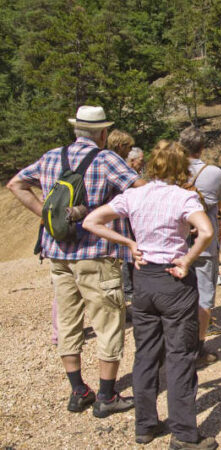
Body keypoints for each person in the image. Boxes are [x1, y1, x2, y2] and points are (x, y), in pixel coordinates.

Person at [6, 105, 142, 417]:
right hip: (97, 254)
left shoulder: (52, 156)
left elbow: (16, 184)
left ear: (76, 130)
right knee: (108, 323)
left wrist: (46, 213)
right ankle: (106, 397)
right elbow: (140, 190)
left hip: (57, 252)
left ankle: (78, 390)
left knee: (69, 323)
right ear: (103, 133)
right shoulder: (107, 158)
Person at [83, 140, 218, 449]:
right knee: (181, 356)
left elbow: (91, 221)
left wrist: (128, 244)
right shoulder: (184, 197)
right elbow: (207, 231)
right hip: (174, 280)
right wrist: (187, 259)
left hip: (143, 278)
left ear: (153, 165)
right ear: (179, 167)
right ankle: (184, 435)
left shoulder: (133, 195)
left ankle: (145, 426)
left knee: (145, 353)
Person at [179, 126, 221, 369]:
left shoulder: (171, 171)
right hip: (205, 244)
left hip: (176, 243)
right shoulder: (214, 172)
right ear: (202, 147)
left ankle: (176, 345)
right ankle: (197, 349)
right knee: (204, 296)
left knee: (177, 294)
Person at [107, 130, 137, 303]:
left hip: (111, 220)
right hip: (114, 222)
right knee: (113, 269)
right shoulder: (115, 162)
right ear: (120, 146)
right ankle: (118, 305)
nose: (130, 150)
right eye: (129, 147)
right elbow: (135, 186)